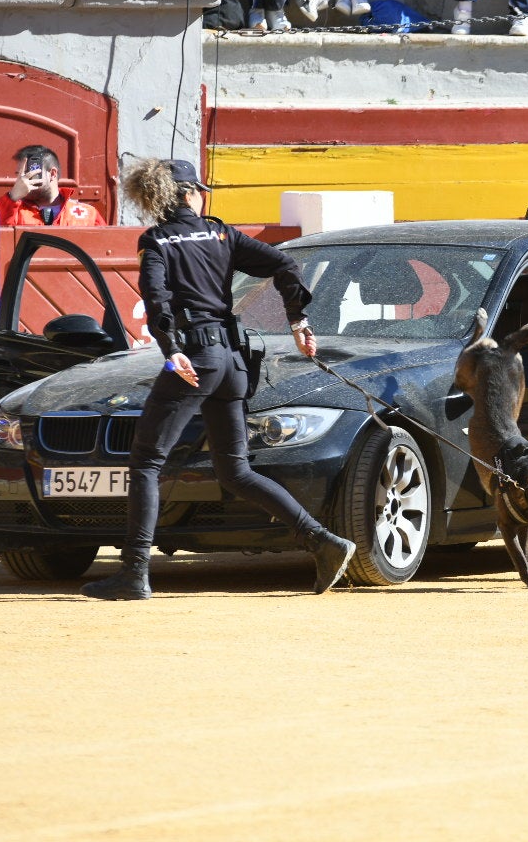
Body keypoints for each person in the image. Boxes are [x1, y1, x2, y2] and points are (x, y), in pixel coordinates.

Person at [81, 158, 355, 601]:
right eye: (200, 190)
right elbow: (285, 263)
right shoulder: (221, 232)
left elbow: (156, 298)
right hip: (232, 360)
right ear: (188, 193)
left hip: (196, 357)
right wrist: (298, 320)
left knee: (148, 461)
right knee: (236, 470)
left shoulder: (157, 240)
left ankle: (134, 573)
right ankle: (323, 541)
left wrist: (171, 350)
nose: (203, 196)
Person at [0, 146, 106, 227]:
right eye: (19, 175)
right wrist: (12, 197)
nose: (22, 179)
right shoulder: (13, 211)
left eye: (28, 173)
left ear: (52, 174)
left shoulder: (87, 214)